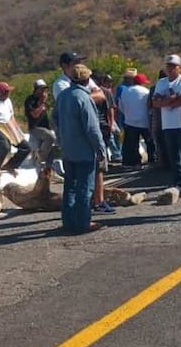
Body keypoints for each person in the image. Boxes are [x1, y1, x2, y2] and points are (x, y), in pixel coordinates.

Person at [55, 63, 106, 234]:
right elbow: (92, 128)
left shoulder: (62, 96)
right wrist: (100, 150)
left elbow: (54, 120)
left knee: (70, 186)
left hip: (68, 149)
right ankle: (83, 222)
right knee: (85, 187)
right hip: (84, 150)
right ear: (86, 79)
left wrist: (61, 141)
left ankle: (68, 221)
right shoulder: (84, 98)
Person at [153, 55, 181, 198]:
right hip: (168, 125)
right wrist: (172, 99)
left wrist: (165, 102)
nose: (170, 69)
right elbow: (154, 102)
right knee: (174, 157)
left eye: (173, 66)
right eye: (168, 66)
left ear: (179, 67)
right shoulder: (161, 82)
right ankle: (179, 184)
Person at [0, 81, 31, 175]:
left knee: (26, 147)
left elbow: (11, 116)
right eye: (5, 92)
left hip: (9, 126)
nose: (7, 94)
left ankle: (11, 165)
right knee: (4, 147)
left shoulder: (8, 101)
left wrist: (17, 130)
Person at [91, 72, 117, 215]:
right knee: (98, 165)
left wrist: (111, 124)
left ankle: (98, 199)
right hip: (97, 129)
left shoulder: (104, 93)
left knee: (100, 164)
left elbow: (110, 109)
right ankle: (97, 200)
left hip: (102, 128)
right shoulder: (92, 93)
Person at [119, 71, 154, 168]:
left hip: (130, 121)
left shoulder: (125, 91)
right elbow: (150, 106)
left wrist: (127, 115)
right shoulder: (146, 92)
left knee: (132, 144)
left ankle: (134, 162)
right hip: (144, 121)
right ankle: (152, 160)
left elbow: (121, 106)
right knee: (149, 142)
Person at [24, 79, 56, 169]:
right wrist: (41, 103)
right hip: (35, 128)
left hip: (45, 127)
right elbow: (34, 115)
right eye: (41, 89)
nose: (43, 92)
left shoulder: (44, 100)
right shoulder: (30, 100)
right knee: (51, 137)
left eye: (44, 89)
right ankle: (40, 157)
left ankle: (49, 169)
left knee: (51, 148)